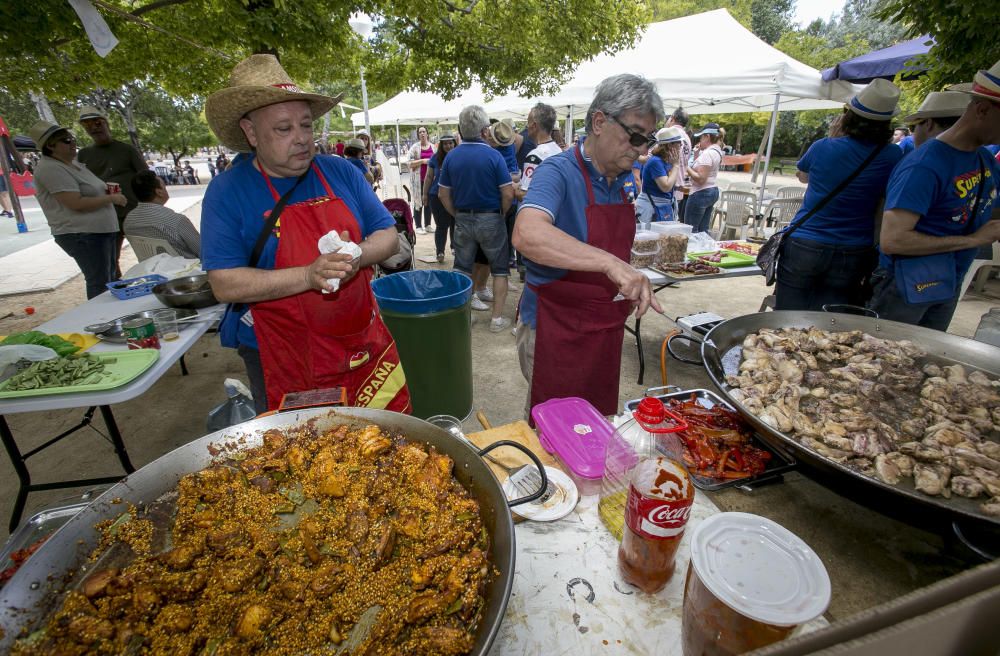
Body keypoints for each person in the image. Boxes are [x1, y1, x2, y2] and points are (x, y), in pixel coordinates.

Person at [201, 54, 409, 413]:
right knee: (305, 451)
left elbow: (387, 235)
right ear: (251, 133)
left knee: (380, 439)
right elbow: (225, 283)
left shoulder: (339, 171)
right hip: (282, 350)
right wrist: (309, 275)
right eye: (284, 129)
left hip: (360, 338)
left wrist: (356, 255)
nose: (301, 139)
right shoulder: (227, 191)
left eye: (306, 126)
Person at [511, 74, 665, 417]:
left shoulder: (626, 179)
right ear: (599, 121)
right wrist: (610, 263)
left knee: (594, 418)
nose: (642, 149)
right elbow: (526, 233)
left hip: (603, 326)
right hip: (553, 326)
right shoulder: (557, 172)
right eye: (636, 135)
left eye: (648, 140)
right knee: (552, 423)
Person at [869, 59, 1000, 331]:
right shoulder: (924, 165)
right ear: (984, 109)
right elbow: (893, 240)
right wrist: (973, 240)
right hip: (905, 287)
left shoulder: (985, 160)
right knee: (883, 360)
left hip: (949, 280)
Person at [774, 79, 904, 312]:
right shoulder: (893, 155)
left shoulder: (823, 146)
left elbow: (803, 177)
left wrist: (834, 141)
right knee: (830, 318)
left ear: (849, 117)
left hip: (806, 242)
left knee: (787, 315)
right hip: (853, 249)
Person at [438, 105, 515, 333]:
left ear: (461, 130)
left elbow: (443, 194)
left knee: (462, 268)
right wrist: (501, 213)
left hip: (463, 218)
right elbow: (508, 192)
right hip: (491, 217)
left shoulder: (451, 156)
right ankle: (496, 319)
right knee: (500, 270)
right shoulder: (494, 155)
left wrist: (457, 214)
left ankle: (466, 317)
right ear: (485, 131)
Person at [29, 120, 125, 299]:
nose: (73, 143)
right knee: (100, 283)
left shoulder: (73, 164)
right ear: (51, 145)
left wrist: (107, 191)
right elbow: (75, 203)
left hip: (101, 230)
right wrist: (111, 198)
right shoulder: (50, 168)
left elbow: (91, 189)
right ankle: (102, 323)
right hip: (83, 234)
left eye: (72, 139)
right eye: (66, 141)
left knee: (111, 278)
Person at [77, 105, 148, 273]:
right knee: (110, 259)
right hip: (106, 215)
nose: (94, 127)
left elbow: (146, 178)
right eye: (87, 125)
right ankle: (118, 287)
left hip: (132, 211)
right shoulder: (84, 155)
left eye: (97, 122)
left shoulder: (126, 150)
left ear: (106, 124)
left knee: (148, 252)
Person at [124, 170, 202, 259]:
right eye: (164, 186)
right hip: (186, 270)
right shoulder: (176, 221)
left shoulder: (129, 221)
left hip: (150, 268)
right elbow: (203, 250)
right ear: (159, 192)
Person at [635, 127, 684, 223]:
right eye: (679, 143)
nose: (681, 145)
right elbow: (666, 187)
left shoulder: (666, 161)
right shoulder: (656, 161)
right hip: (652, 211)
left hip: (662, 208)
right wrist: (676, 165)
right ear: (670, 145)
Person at [684, 122, 724, 233]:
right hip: (712, 190)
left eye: (701, 137)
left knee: (691, 229)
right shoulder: (717, 151)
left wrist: (685, 166)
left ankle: (693, 250)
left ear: (707, 137)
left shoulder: (708, 154)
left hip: (700, 192)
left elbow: (701, 179)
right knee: (703, 229)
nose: (699, 140)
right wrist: (697, 154)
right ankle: (704, 248)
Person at [423, 133, 457, 262]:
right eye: (445, 143)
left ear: (454, 143)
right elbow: (429, 177)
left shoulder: (459, 157)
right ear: (441, 145)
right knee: (442, 225)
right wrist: (424, 194)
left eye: (450, 143)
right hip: (436, 196)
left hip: (455, 196)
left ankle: (455, 248)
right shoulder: (435, 158)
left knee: (456, 223)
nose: (448, 145)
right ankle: (440, 252)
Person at [665, 108, 693, 219]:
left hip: (666, 187)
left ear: (672, 118)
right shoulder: (687, 138)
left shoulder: (669, 134)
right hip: (679, 188)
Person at [407, 127, 435, 234]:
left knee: (429, 201)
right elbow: (409, 163)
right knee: (418, 201)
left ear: (427, 134)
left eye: (424, 131)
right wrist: (423, 161)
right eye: (420, 132)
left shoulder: (433, 147)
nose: (422, 133)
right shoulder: (415, 147)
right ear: (418, 135)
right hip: (418, 180)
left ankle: (428, 224)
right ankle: (418, 226)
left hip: (431, 180)